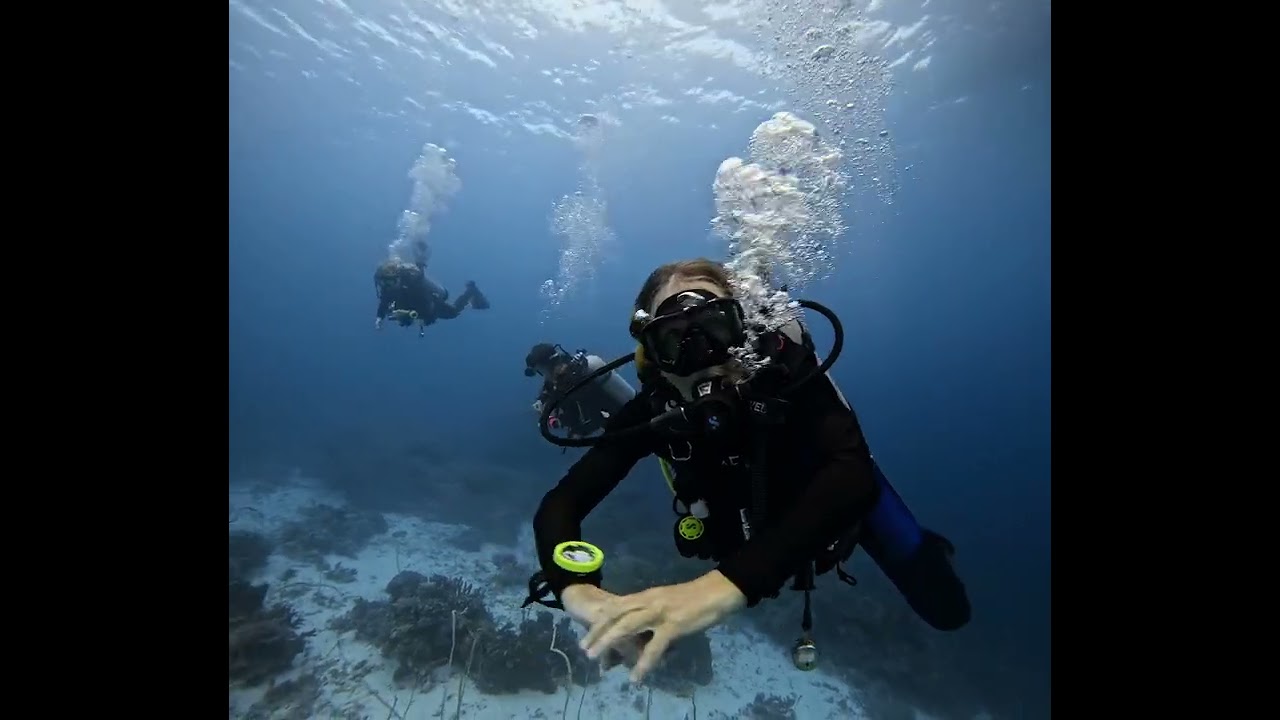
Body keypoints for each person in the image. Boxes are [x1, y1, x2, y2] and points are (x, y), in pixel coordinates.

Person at [524, 258, 970, 683]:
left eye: (715, 328)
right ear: (653, 355)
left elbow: (851, 473)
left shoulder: (787, 372)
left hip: (836, 507)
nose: (703, 357)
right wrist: (578, 592)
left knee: (947, 610)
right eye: (673, 339)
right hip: (746, 535)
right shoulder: (658, 409)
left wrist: (714, 592)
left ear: (744, 327)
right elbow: (564, 501)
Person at [525, 343, 637, 439]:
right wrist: (542, 402)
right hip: (623, 421)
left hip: (629, 423)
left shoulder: (576, 381)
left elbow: (595, 417)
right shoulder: (568, 374)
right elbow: (550, 390)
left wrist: (577, 433)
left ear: (547, 366)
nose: (543, 375)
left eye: (541, 371)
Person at [373, 259, 489, 337]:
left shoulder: (414, 284)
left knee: (453, 312)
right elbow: (384, 301)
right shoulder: (389, 289)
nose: (385, 286)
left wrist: (410, 315)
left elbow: (428, 311)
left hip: (431, 301)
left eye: (387, 282)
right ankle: (471, 291)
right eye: (382, 283)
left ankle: (471, 290)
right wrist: (379, 317)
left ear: (395, 278)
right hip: (411, 305)